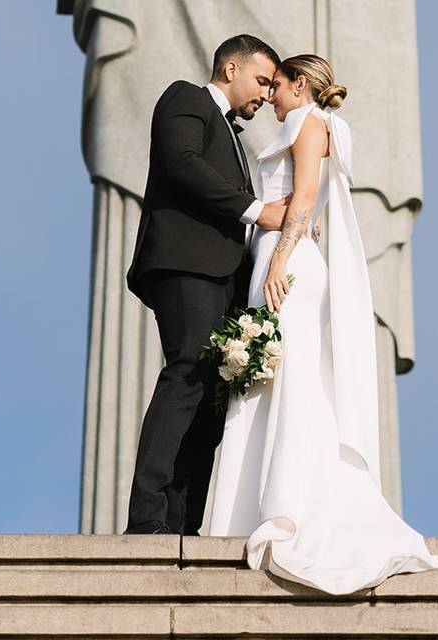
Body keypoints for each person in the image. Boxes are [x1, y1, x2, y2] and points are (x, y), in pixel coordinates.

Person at [208, 54, 438, 593]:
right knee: (286, 379)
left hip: (285, 260)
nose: (270, 96)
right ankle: (275, 500)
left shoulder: (306, 121)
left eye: (277, 86)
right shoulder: (320, 124)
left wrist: (279, 259)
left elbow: (306, 195)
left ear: (301, 86)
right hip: (289, 255)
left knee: (287, 380)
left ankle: (284, 506)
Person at [123, 35, 292, 536]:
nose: (265, 94)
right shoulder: (186, 98)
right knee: (188, 371)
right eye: (261, 80)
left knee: (213, 395)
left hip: (227, 277)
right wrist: (258, 209)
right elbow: (182, 163)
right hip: (185, 263)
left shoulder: (235, 136)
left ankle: (181, 524)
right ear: (230, 68)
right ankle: (147, 517)